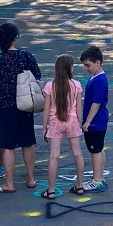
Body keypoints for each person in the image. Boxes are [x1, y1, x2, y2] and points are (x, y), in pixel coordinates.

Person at [0, 22, 41, 194]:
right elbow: (37, 76)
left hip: (3, 107)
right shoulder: (26, 56)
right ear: (16, 37)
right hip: (25, 105)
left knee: (7, 146)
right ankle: (31, 179)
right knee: (27, 143)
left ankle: (9, 183)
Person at [40, 55, 86, 199]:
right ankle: (79, 186)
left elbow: (46, 109)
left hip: (55, 122)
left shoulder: (50, 86)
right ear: (69, 68)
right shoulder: (76, 85)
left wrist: (44, 127)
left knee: (54, 156)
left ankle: (51, 190)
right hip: (72, 121)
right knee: (77, 154)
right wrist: (80, 123)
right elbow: (79, 108)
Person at [80, 45, 110, 193]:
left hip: (95, 122)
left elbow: (96, 103)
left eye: (88, 65)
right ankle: (100, 177)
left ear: (98, 62)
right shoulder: (96, 77)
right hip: (99, 121)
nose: (86, 68)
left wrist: (87, 122)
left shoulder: (99, 80)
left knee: (95, 151)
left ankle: (97, 180)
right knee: (99, 149)